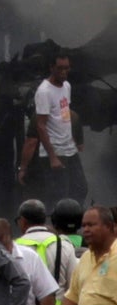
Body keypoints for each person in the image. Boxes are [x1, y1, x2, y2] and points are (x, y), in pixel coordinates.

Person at [31, 52, 87, 204]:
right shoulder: (44, 92)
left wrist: (76, 139)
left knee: (81, 187)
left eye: (67, 68)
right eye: (60, 68)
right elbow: (41, 125)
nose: (64, 72)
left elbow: (66, 115)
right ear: (51, 68)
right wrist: (52, 156)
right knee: (60, 195)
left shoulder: (66, 86)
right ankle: (58, 224)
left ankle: (76, 219)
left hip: (69, 149)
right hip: (55, 150)